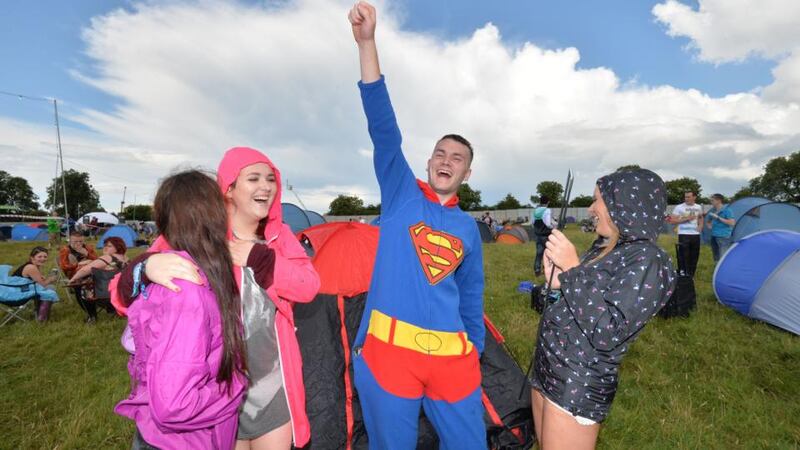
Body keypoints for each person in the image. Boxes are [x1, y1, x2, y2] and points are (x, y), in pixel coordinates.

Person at [115, 147, 320, 449]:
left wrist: (260, 258)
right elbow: (121, 299)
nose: (266, 186)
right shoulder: (199, 236)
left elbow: (308, 286)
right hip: (216, 392)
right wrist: (144, 267)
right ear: (229, 189)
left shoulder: (280, 237)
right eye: (253, 178)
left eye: (270, 179)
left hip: (272, 386)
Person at [348, 3, 486, 448]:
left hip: (453, 362)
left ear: (467, 174)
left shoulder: (467, 229)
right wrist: (368, 44)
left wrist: (474, 352)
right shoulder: (401, 195)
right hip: (388, 355)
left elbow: (472, 295)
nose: (447, 161)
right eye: (440, 154)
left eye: (457, 158)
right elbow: (383, 128)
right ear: (428, 163)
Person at [530, 169, 676, 449]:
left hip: (575, 383)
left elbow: (608, 331)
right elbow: (584, 300)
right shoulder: (606, 247)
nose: (591, 208)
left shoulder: (649, 260)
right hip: (548, 369)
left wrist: (572, 270)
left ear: (624, 205)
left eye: (598, 200)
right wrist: (558, 283)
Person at [115, 170, 247, 449]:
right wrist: (235, 386)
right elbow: (174, 405)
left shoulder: (204, 270)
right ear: (215, 215)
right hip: (179, 441)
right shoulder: (186, 289)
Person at [59, 231, 101, 323]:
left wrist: (87, 255)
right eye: (75, 242)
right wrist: (78, 264)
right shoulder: (66, 250)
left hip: (90, 273)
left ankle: (95, 312)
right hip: (74, 275)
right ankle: (92, 314)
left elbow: (98, 261)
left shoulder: (87, 248)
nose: (78, 244)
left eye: (81, 241)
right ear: (70, 241)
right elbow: (64, 266)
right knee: (82, 287)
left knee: (92, 284)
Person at [12, 246, 60, 322]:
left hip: (20, 288)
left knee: (49, 288)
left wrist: (40, 277)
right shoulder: (31, 267)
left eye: (45, 256)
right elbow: (42, 285)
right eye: (39, 256)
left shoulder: (33, 265)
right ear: (32, 258)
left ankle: (40, 311)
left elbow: (32, 280)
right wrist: (50, 279)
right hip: (17, 292)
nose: (43, 259)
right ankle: (42, 317)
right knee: (50, 288)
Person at [670, 191, 703, 276]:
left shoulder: (698, 207)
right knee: (683, 255)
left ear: (694, 197)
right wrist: (686, 219)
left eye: (688, 197)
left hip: (696, 235)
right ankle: (683, 273)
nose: (686, 199)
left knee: (694, 255)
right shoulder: (679, 207)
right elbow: (672, 220)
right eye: (685, 197)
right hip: (684, 234)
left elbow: (700, 217)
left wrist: (700, 226)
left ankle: (691, 274)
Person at [706, 193, 735, 262]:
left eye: (712, 200)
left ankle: (724, 272)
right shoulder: (713, 210)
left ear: (719, 200)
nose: (711, 202)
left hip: (723, 237)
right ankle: (717, 271)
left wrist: (718, 218)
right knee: (716, 257)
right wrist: (709, 226)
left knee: (723, 258)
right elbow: (708, 221)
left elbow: (732, 223)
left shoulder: (727, 210)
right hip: (714, 236)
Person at [532, 195, 554, 277]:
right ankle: (546, 269)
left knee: (539, 253)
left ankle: (537, 270)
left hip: (538, 235)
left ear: (540, 202)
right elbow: (548, 223)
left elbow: (533, 222)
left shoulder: (536, 210)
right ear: (548, 202)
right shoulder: (547, 210)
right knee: (548, 253)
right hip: (546, 235)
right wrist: (554, 227)